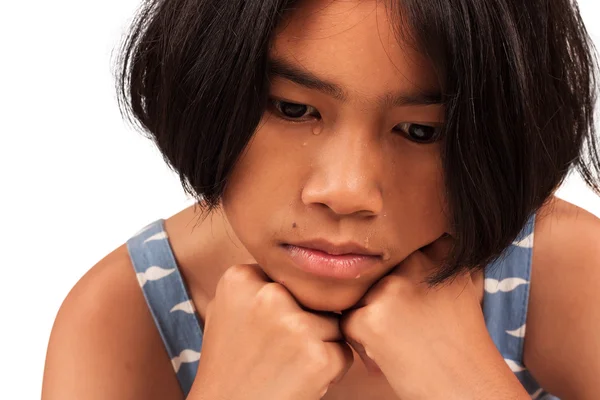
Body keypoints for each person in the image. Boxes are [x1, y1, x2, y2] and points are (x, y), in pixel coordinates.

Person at [42, 0, 600, 399]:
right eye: (292, 109)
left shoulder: (562, 273)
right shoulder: (125, 315)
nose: (346, 192)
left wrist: (460, 380)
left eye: (422, 131)